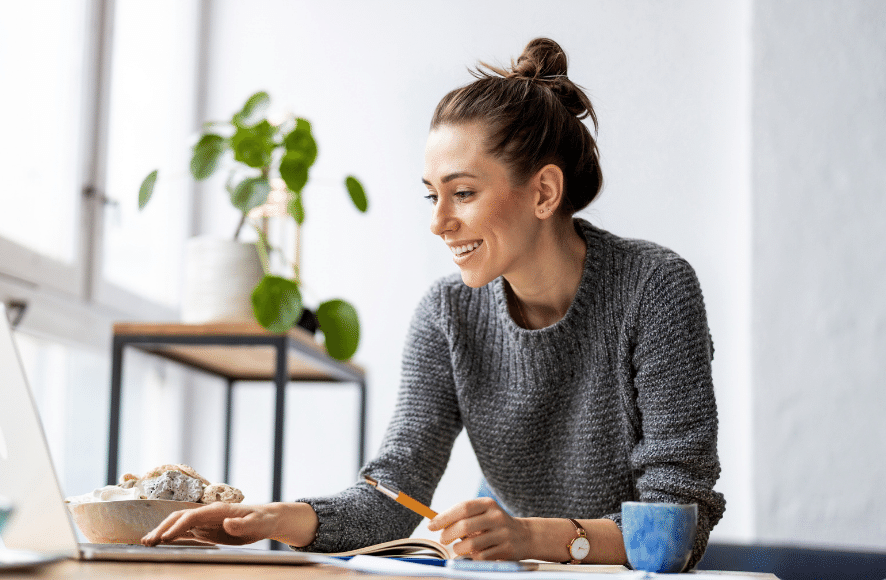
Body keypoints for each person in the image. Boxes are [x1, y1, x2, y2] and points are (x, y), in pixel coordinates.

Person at [142, 37, 725, 569]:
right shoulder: (447, 313)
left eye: (463, 193)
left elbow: (675, 527)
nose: (439, 223)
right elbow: (395, 494)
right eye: (432, 196)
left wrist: (527, 537)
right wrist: (275, 520)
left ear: (544, 192)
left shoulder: (654, 288)